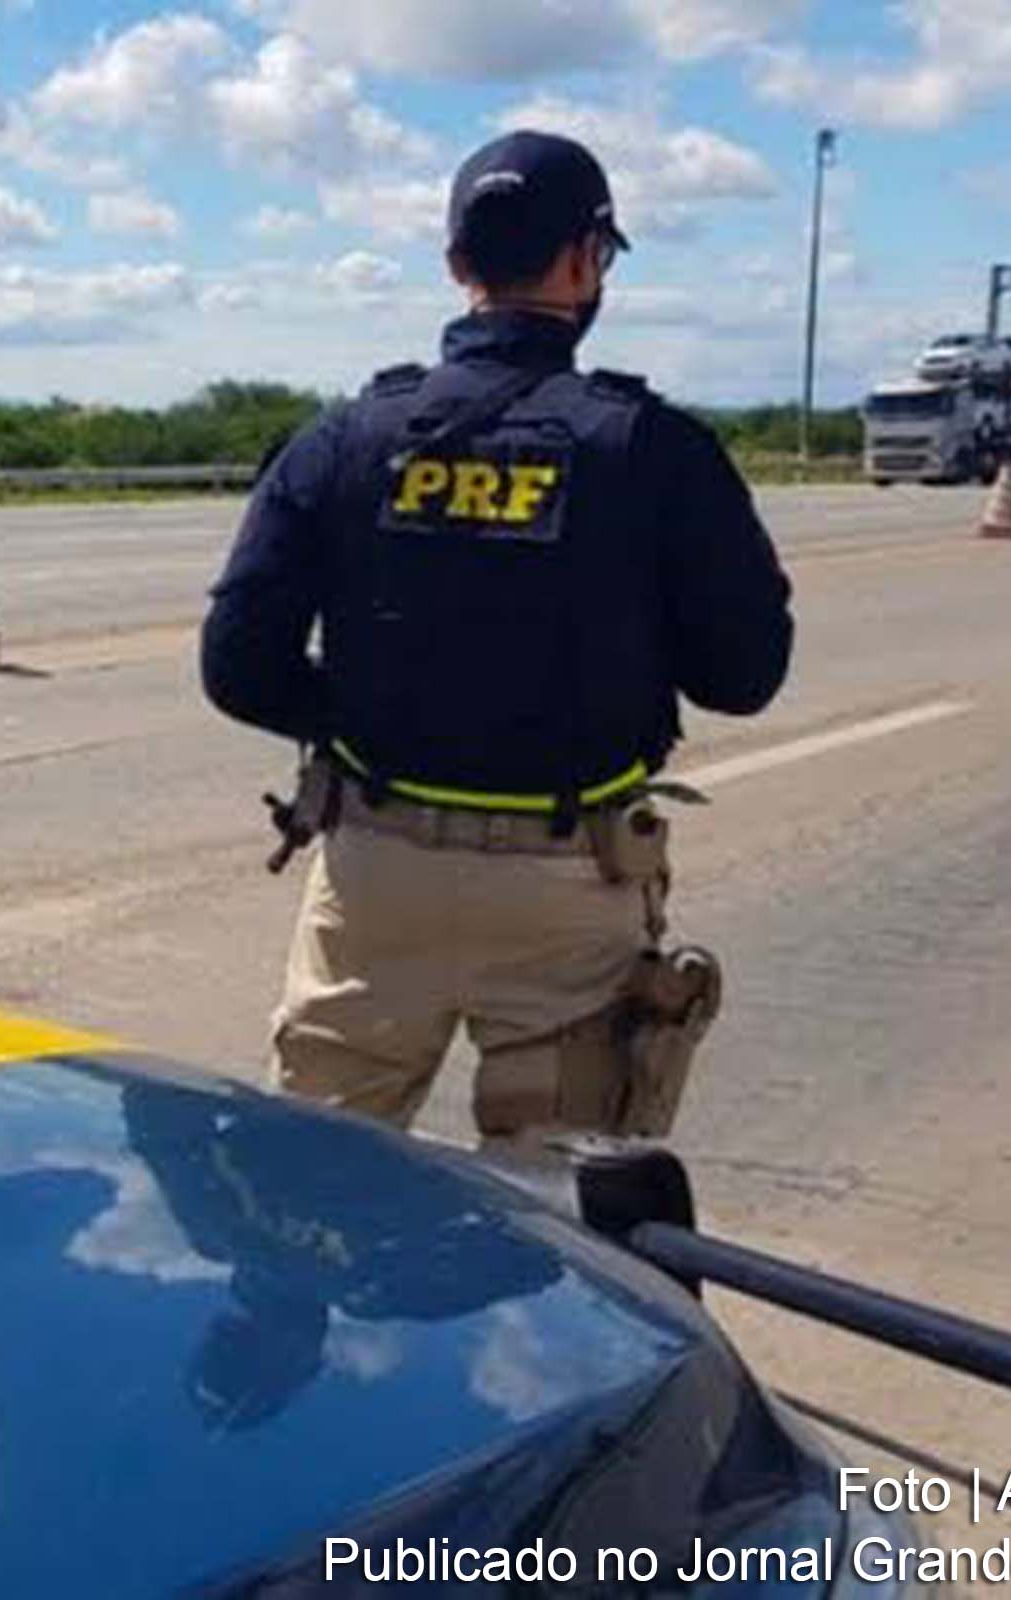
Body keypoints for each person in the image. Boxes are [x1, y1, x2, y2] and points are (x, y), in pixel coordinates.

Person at [202, 130, 793, 1141]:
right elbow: (743, 676)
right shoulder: (652, 449)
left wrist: (363, 712)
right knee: (560, 1226)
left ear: (455, 265)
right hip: (569, 891)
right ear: (585, 259)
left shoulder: (347, 435)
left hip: (375, 875)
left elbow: (238, 665)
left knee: (307, 1196)